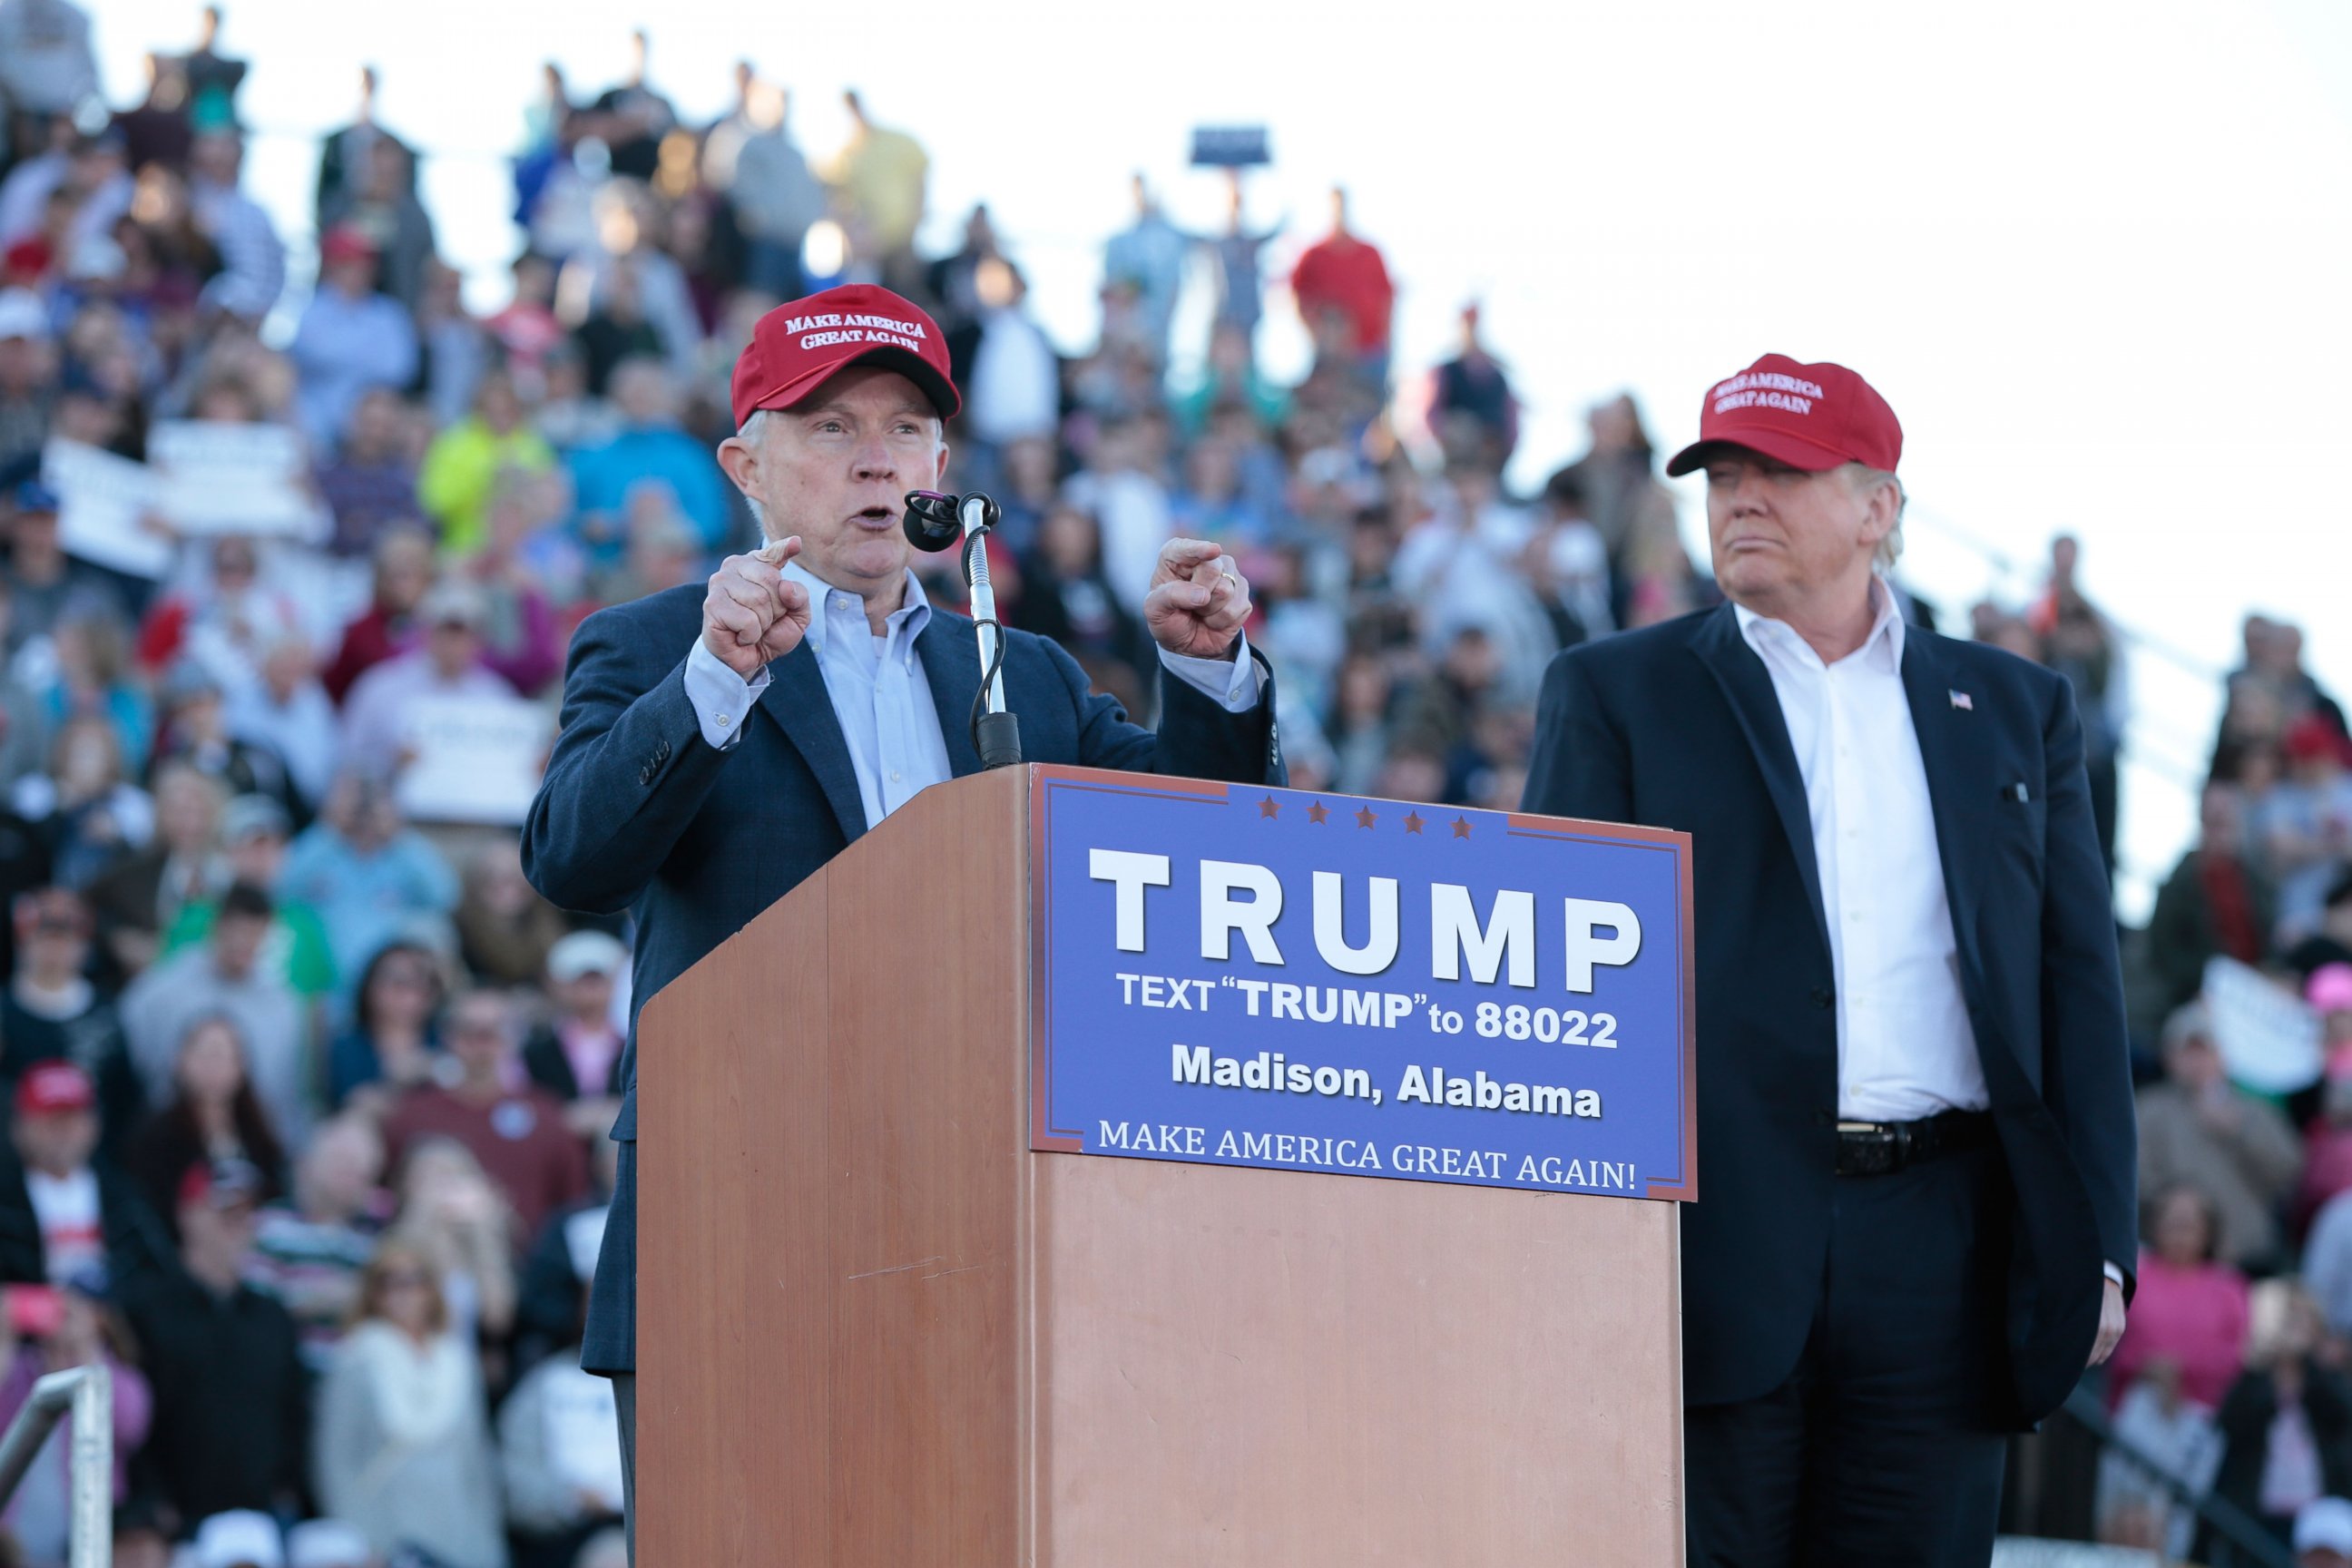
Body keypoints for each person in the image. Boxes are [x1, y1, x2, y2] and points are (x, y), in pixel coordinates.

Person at [522, 280, 1283, 1554]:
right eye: (830, 428)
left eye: (907, 429)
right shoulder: (657, 645)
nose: (877, 459)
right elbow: (573, 860)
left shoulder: (1021, 669)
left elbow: (1191, 864)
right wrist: (714, 680)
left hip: (983, 1248)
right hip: (737, 1248)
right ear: (745, 465)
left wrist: (1207, 675)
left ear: (943, 467)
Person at [1520, 354, 2135, 1563]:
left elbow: (2078, 988)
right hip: (1705, 1244)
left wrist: (2102, 1244)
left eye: (1780, 474)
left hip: (1947, 1250)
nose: (1741, 497)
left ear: (1877, 509)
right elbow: (1557, 990)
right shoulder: (1613, 693)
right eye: (1723, 473)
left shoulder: (2019, 712)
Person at [122, 1156, 309, 1532]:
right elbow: (130, 1419)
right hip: (176, 1527)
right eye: (225, 1207)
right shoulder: (144, 1310)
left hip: (261, 1525)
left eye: (248, 1209)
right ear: (187, 1214)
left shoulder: (274, 1317)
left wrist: (288, 1490)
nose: (239, 1221)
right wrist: (152, 1501)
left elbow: (294, 1414)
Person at [314, 1238, 507, 1568]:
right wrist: (361, 1539)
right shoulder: (355, 1361)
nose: (403, 1292)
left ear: (432, 1290)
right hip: (387, 1533)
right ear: (373, 1294)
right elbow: (335, 1461)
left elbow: (475, 1460)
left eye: (416, 1280)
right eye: (389, 1282)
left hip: (459, 1532)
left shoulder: (457, 1361)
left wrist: (489, 1540)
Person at [382, 988, 587, 1243]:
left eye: (492, 1033)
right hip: (431, 1268)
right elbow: (387, 1200)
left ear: (513, 1039)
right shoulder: (413, 1115)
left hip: (525, 1271)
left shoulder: (546, 1116)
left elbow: (573, 1206)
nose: (480, 1045)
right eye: (469, 1032)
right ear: (448, 1037)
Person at [118, 880, 309, 1145]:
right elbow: (133, 1056)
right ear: (218, 925)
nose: (244, 943)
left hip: (249, 1139)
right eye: (237, 930)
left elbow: (285, 1091)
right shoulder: (162, 989)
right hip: (172, 1134)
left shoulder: (282, 1006)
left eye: (255, 933)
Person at [2135, 999, 2303, 1271]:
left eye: (2206, 1051)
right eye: (2188, 1052)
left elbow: (2288, 1172)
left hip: (2248, 1257)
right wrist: (2185, 1211)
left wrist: (2241, 1131)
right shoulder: (2148, 1109)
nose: (2197, 1061)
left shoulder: (2253, 1110)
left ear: (2223, 1055)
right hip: (2171, 1263)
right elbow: (2137, 1178)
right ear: (2169, 1057)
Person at [0, 1282, 150, 1563]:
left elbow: (131, 1430)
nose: (58, 1315)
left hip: (88, 1542)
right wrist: (5, 1333)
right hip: (12, 1549)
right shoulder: (17, 1371)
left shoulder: (121, 1378)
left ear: (98, 1315)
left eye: (70, 1308)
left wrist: (83, 1352)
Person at [0, 1062, 170, 1294]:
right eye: (49, 1118)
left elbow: (160, 1279)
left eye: (71, 1117)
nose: (63, 1130)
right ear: (19, 1127)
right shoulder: (6, 1203)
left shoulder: (126, 1201)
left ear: (94, 1125)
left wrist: (108, 1315)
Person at [125, 1013, 289, 1232]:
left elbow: (276, 1198)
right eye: (204, 1055)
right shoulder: (155, 1139)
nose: (213, 1067)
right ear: (180, 1061)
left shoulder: (260, 1135)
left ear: (242, 1067)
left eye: (223, 1056)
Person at [249, 1113, 386, 1371]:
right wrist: (313, 1300)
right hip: (284, 1373)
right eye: (343, 1167)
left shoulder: (373, 1238)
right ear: (310, 1164)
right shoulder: (271, 1226)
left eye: (363, 1173)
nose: (353, 1180)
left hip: (353, 1382)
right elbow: (251, 1306)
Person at [520, 929, 625, 1138]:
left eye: (596, 980)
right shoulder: (537, 1050)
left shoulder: (636, 1044)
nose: (589, 990)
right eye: (580, 981)